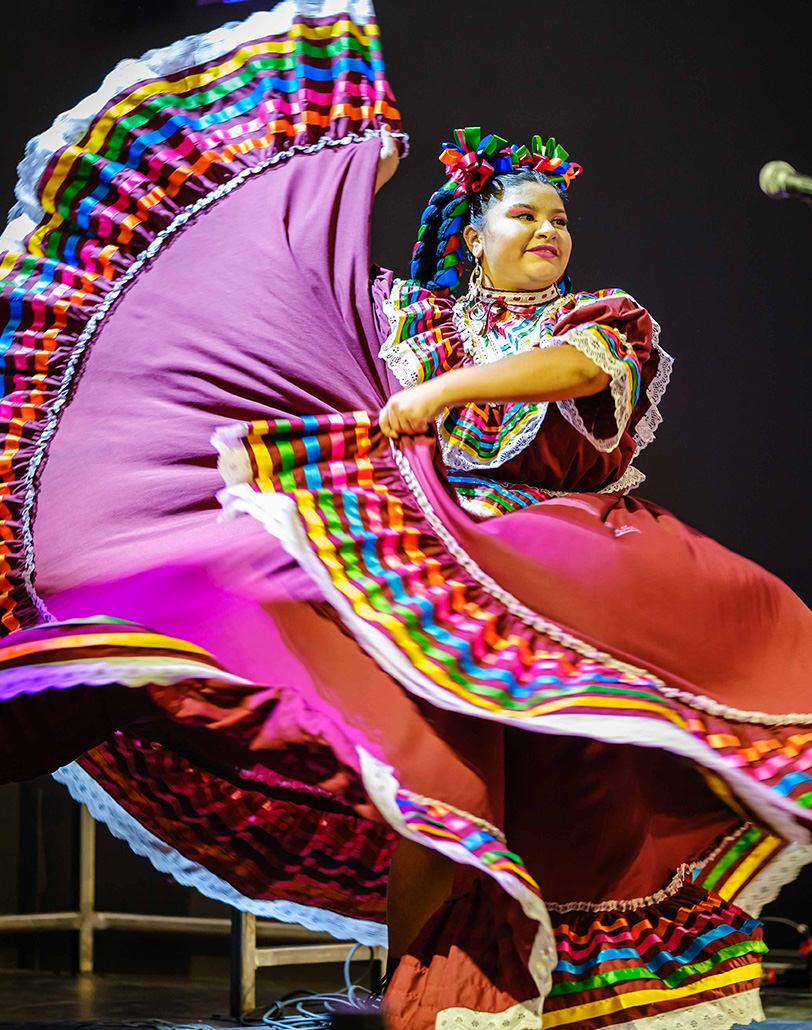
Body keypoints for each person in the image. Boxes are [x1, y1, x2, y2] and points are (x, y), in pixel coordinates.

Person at [0, 5, 810, 1030]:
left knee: (577, 825)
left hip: (565, 579)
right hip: (426, 581)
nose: (547, 233)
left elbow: (582, 369)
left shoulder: (587, 321)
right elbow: (302, 296)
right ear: (470, 231)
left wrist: (436, 398)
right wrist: (338, 179)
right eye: (522, 216)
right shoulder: (412, 321)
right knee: (428, 778)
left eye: (558, 220)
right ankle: (420, 1000)